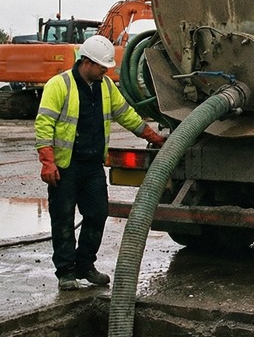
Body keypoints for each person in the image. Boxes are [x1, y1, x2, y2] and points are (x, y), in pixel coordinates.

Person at [35, 34, 167, 291]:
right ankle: (66, 272)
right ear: (86, 62)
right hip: (66, 165)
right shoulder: (59, 85)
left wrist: (153, 136)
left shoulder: (105, 86)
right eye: (101, 66)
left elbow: (125, 115)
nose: (105, 70)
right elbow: (44, 125)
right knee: (62, 219)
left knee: (97, 214)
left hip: (93, 165)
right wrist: (47, 162)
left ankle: (85, 266)